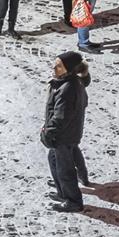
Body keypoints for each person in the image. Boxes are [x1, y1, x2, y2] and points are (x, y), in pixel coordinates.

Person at [41, 51, 91, 212]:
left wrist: (48, 132)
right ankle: (63, 190)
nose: (54, 68)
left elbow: (61, 116)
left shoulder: (68, 88)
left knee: (65, 169)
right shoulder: (70, 83)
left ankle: (73, 201)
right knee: (55, 160)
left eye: (59, 66)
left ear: (68, 70)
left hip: (63, 135)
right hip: (68, 134)